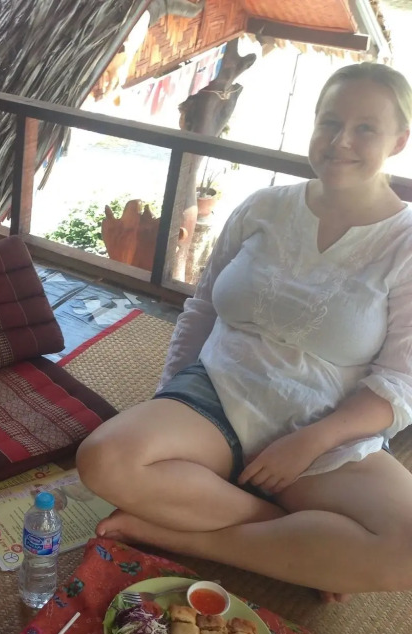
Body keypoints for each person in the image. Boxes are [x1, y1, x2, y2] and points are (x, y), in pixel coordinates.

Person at [76, 62, 412, 601]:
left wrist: (308, 442)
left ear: (399, 141)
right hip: (218, 390)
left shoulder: (405, 241)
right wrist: (166, 397)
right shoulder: (264, 207)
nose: (340, 142)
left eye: (365, 128)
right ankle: (300, 544)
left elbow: (400, 381)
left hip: (323, 421)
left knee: (406, 546)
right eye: (329, 122)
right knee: (104, 459)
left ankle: (182, 534)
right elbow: (201, 310)